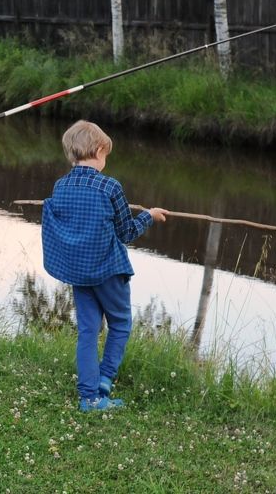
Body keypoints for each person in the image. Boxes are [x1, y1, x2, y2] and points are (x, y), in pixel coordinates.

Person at [41, 120, 168, 412]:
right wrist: (149, 215)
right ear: (99, 150)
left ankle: (89, 398)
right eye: (106, 155)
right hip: (108, 271)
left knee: (88, 330)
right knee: (120, 324)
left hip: (78, 271)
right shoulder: (110, 186)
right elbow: (126, 233)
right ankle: (104, 380)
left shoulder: (61, 186)